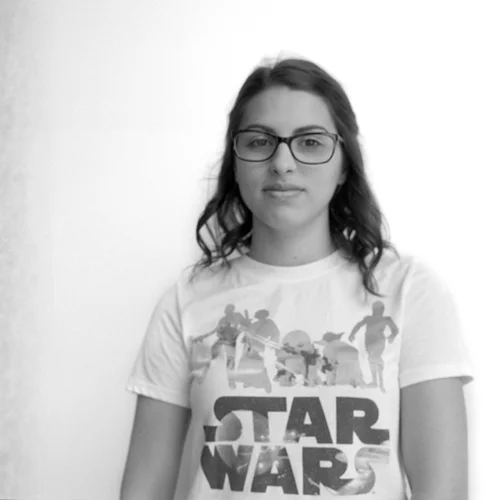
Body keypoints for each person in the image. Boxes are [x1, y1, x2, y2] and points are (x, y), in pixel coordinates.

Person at [120, 56, 474, 500]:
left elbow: (443, 491)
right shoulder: (186, 301)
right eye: (259, 141)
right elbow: (143, 489)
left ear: (344, 164)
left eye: (310, 142)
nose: (282, 163)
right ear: (235, 162)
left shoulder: (409, 291)